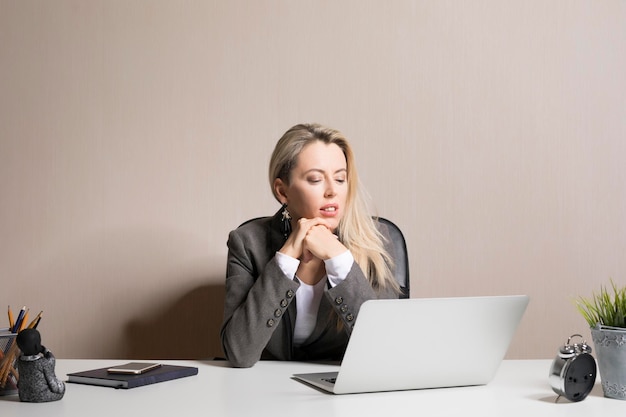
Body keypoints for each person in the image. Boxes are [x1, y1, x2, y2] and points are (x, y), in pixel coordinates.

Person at [221, 123, 402, 368]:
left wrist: (339, 258)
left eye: (340, 178)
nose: (332, 191)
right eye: (316, 179)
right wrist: (285, 259)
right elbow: (239, 353)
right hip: (264, 394)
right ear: (282, 191)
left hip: (345, 391)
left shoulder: (376, 240)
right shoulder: (247, 243)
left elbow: (388, 351)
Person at [15, 328, 65, 402]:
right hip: (41, 395)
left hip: (24, 396)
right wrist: (45, 350)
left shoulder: (20, 361)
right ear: (36, 346)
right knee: (62, 389)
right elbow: (51, 361)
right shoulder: (42, 362)